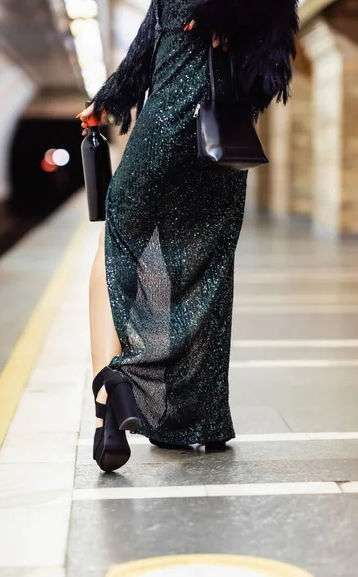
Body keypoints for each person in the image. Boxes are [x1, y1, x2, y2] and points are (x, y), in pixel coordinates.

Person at [77, 0, 299, 472]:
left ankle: (109, 390)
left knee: (117, 235)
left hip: (169, 119)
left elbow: (149, 45)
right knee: (207, 261)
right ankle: (195, 420)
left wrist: (108, 99)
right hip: (224, 129)